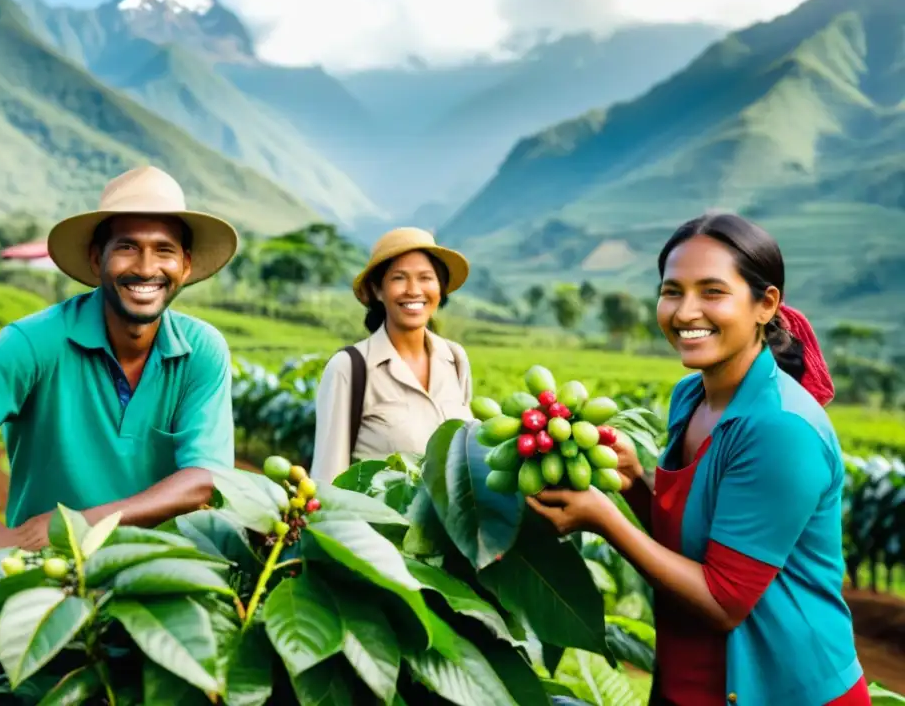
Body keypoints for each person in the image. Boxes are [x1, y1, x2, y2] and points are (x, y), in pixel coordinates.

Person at [527, 213, 870, 705]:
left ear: (765, 303)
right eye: (672, 291)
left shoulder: (781, 429)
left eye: (712, 292)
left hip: (783, 690)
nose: (686, 312)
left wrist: (604, 519)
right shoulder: (691, 396)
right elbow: (697, 541)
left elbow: (723, 599)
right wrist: (632, 484)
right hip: (690, 681)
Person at [0, 166, 240, 551]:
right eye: (126, 247)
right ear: (96, 259)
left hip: (161, 578)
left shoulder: (202, 350)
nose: (145, 267)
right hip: (49, 578)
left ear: (185, 266)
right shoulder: (36, 342)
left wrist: (83, 523)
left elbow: (205, 477)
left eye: (164, 250)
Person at [310, 227, 474, 483]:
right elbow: (328, 479)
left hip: (453, 523)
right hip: (379, 523)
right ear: (377, 290)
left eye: (425, 278)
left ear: (440, 288)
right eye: (399, 278)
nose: (413, 290)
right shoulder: (349, 368)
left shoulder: (455, 359)